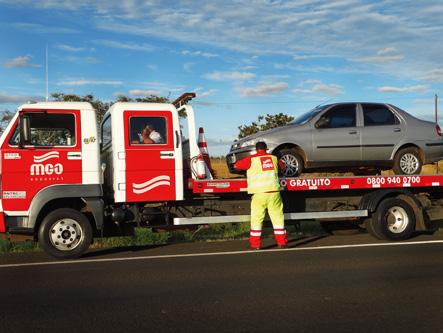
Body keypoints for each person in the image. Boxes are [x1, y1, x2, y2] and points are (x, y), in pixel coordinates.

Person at [234, 141, 287, 250]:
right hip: (274, 193)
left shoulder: (251, 159)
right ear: (266, 149)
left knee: (257, 219)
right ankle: (282, 243)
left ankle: (255, 245)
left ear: (256, 149)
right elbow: (283, 166)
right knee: (278, 218)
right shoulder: (274, 158)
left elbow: (237, 165)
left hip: (259, 194)